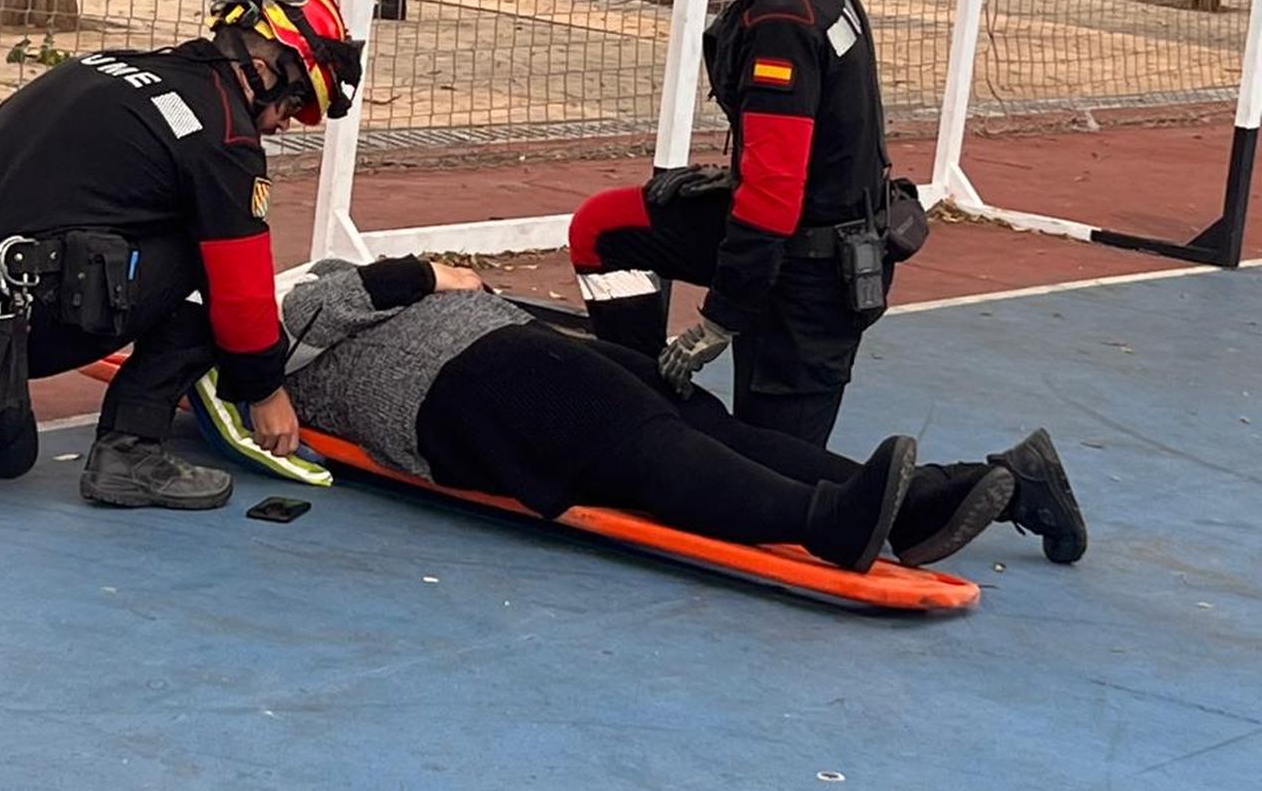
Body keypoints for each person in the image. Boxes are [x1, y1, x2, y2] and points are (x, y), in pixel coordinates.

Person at [566, 0, 1086, 562]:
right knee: (604, 228)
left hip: (809, 279)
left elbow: (775, 195)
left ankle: (1006, 480)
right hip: (789, 237)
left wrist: (718, 321)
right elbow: (783, 173)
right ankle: (643, 402)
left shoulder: (782, 20)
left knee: (763, 479)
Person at [0, 0, 362, 510]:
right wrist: (264, 390)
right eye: (296, 100)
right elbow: (244, 297)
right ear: (266, 65)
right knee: (210, 258)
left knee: (47, 225)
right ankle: (129, 449)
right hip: (11, 323)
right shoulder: (221, 134)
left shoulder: (111, 66)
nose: (285, 123)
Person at [277, 256, 1084, 575]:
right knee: (644, 447)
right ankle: (828, 519)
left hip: (510, 344)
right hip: (458, 385)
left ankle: (944, 494)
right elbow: (323, 306)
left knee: (707, 425)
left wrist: (444, 285)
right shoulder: (269, 336)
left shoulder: (271, 312)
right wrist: (429, 271)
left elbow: (336, 294)